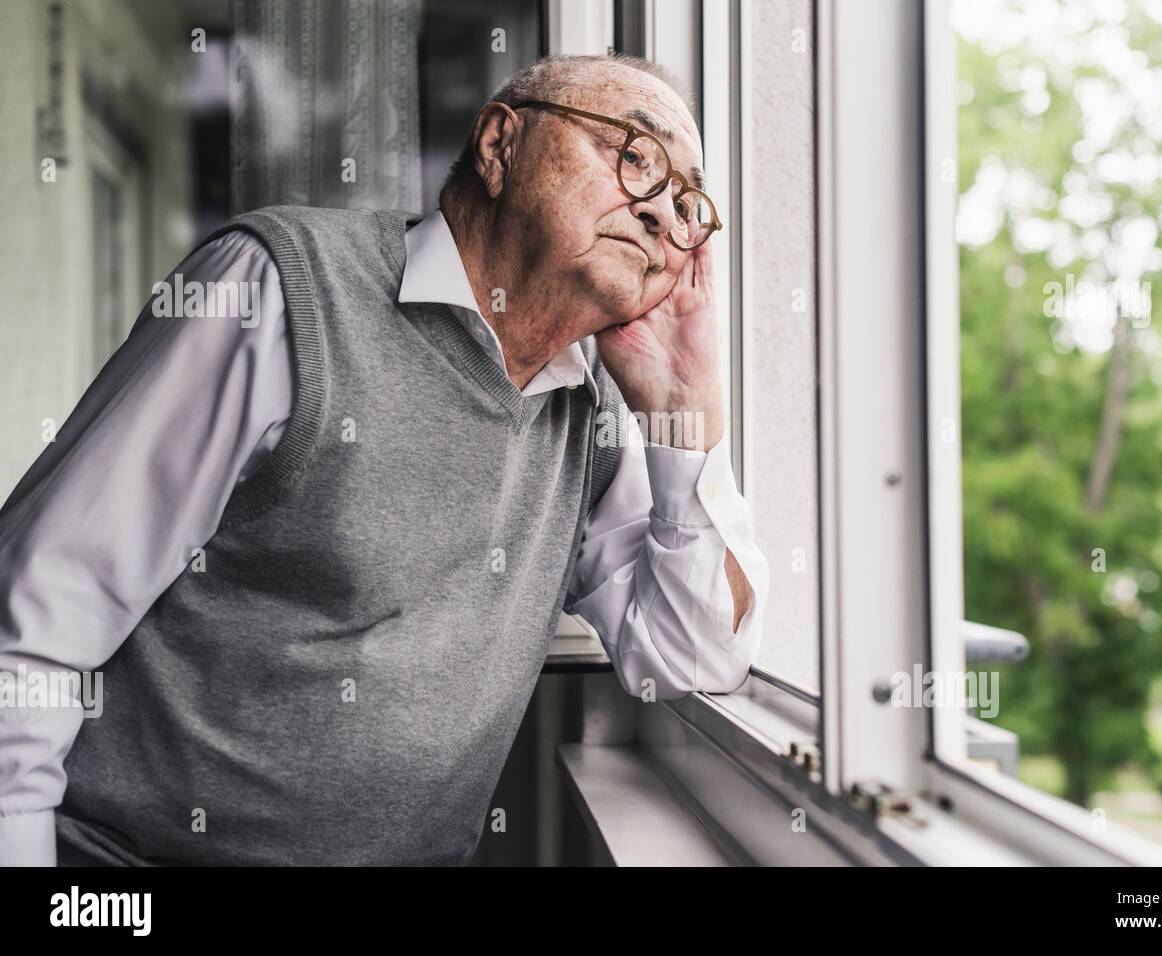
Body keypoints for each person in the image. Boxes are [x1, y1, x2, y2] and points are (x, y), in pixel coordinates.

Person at [0, 53, 768, 866]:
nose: (662, 216)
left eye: (687, 204)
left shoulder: (591, 415)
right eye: (635, 157)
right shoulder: (275, 290)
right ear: (501, 145)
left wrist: (686, 408)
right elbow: (35, 624)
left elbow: (690, 659)